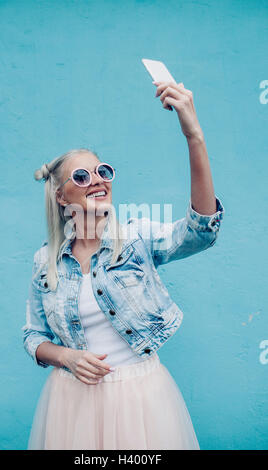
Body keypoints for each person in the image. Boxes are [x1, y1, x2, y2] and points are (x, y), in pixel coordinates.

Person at [22, 81, 225, 450]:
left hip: (140, 401)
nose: (97, 180)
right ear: (60, 195)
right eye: (81, 176)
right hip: (71, 406)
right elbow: (33, 337)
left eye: (102, 171)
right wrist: (65, 357)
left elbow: (201, 232)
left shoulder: (136, 240)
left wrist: (194, 136)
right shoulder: (44, 262)